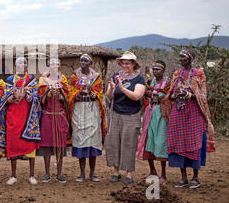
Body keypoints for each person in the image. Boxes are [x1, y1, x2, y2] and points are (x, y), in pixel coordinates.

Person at [0, 57, 41, 185]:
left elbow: (35, 96)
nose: (21, 65)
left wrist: (25, 95)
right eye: (19, 63)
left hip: (28, 116)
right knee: (13, 142)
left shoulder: (32, 79)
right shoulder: (10, 80)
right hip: (13, 115)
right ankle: (13, 175)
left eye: (24, 63)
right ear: (15, 66)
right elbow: (5, 98)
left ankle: (32, 175)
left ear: (27, 66)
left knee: (30, 144)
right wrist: (12, 96)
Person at [164, 49, 216, 188]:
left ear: (190, 59)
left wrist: (189, 95)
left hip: (194, 112)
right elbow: (170, 94)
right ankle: (183, 177)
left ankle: (195, 177)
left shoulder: (199, 74)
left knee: (194, 142)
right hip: (178, 112)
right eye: (179, 57)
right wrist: (175, 96)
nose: (180, 59)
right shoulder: (177, 74)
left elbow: (203, 95)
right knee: (179, 142)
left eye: (183, 57)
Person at [105, 51, 146, 185]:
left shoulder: (139, 79)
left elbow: (136, 96)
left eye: (127, 63)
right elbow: (108, 96)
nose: (125, 65)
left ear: (134, 64)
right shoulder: (116, 76)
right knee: (114, 142)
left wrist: (123, 89)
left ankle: (128, 173)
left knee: (129, 144)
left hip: (131, 115)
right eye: (123, 63)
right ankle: (116, 172)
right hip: (115, 113)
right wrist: (112, 88)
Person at [69, 54, 106, 182]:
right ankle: (81, 173)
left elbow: (100, 94)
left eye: (86, 60)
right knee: (80, 137)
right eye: (81, 60)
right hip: (79, 109)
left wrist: (91, 92)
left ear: (90, 63)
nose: (83, 62)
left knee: (93, 138)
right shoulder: (74, 76)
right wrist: (77, 94)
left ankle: (92, 173)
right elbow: (71, 93)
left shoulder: (96, 77)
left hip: (92, 109)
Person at [136, 60, 170, 184]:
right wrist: (147, 94)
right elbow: (145, 96)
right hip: (149, 114)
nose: (155, 71)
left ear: (164, 70)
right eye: (154, 69)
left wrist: (160, 96)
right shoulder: (151, 82)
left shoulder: (168, 83)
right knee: (148, 140)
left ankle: (163, 175)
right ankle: (152, 171)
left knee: (161, 142)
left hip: (161, 115)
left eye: (158, 69)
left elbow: (170, 97)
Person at [37, 58, 70, 183]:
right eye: (51, 64)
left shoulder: (63, 79)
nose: (54, 66)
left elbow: (67, 97)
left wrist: (60, 95)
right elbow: (40, 98)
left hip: (60, 115)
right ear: (48, 66)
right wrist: (48, 93)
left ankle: (59, 174)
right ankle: (46, 173)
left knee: (60, 144)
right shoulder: (42, 80)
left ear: (59, 66)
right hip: (47, 115)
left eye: (56, 64)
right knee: (46, 144)